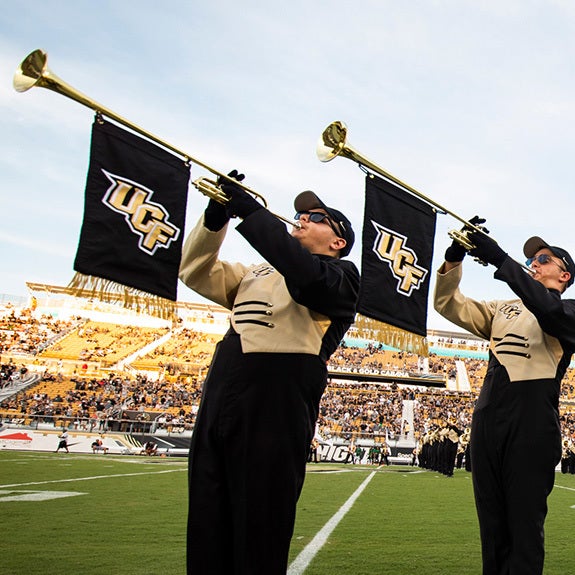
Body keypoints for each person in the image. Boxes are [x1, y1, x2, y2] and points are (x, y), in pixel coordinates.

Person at [178, 171, 359, 575]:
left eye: (315, 216)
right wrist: (215, 218)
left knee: (261, 521)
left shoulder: (343, 275)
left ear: (338, 240)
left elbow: (309, 279)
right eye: (301, 214)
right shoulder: (256, 271)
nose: (302, 219)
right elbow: (194, 271)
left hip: (277, 397)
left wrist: (252, 214)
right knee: (208, 513)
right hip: (224, 387)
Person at [434, 223, 575, 575]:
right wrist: (454, 258)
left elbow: (550, 312)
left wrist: (501, 258)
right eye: (531, 259)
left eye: (543, 259)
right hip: (487, 419)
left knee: (524, 532)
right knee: (492, 530)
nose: (535, 263)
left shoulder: (568, 309)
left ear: (565, 274)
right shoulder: (503, 308)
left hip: (531, 423)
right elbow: (448, 305)